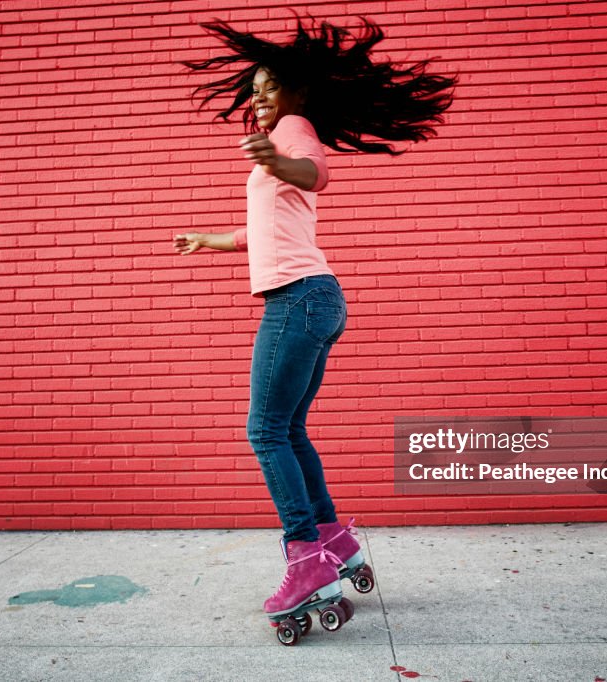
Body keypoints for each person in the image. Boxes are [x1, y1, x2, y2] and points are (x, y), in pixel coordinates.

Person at [175, 14, 454, 628]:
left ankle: (306, 557)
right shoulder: (280, 140)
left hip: (298, 300)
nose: (258, 98)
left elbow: (316, 174)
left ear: (298, 91)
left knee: (265, 430)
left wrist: (278, 164)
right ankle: (333, 540)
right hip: (315, 298)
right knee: (290, 429)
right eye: (253, 90)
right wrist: (208, 239)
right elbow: (263, 229)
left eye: (269, 87)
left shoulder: (294, 132)